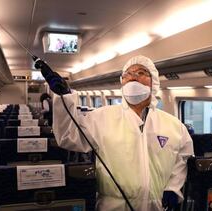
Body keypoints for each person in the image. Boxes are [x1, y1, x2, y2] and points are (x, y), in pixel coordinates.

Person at [52, 55, 194, 210]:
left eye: (141, 72)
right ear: (122, 81)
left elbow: (182, 157)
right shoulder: (101, 117)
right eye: (127, 74)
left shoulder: (173, 125)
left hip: (157, 205)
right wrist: (64, 97)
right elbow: (67, 136)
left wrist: (173, 188)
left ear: (154, 81)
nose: (133, 77)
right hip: (113, 205)